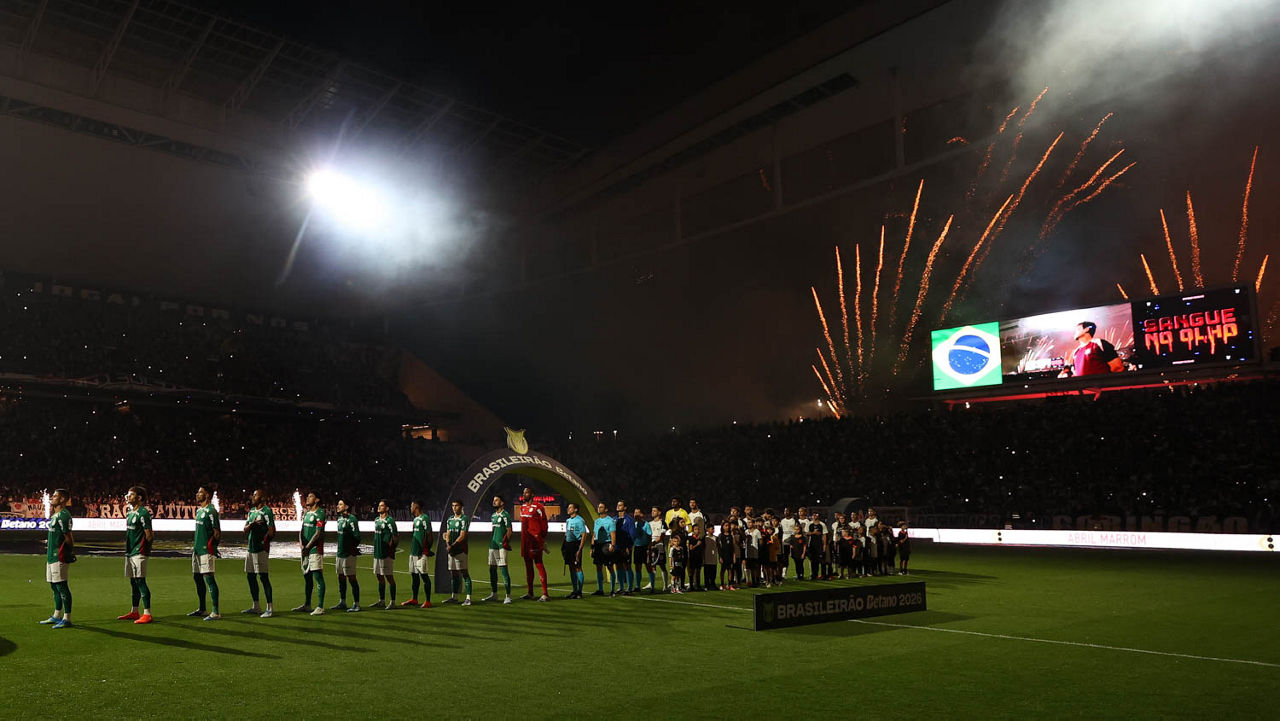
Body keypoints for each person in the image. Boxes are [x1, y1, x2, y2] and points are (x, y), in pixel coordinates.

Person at [40, 488, 75, 629]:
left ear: (62, 499)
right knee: (54, 586)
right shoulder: (56, 515)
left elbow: (69, 538)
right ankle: (56, 615)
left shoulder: (64, 516)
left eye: (55, 496)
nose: (52, 498)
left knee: (62, 586)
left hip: (59, 557)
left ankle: (67, 618)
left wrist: (69, 553)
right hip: (51, 556)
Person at [119, 486, 154, 624]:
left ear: (139, 498)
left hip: (139, 552)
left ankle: (147, 613)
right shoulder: (129, 512)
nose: (128, 497)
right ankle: (134, 611)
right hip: (130, 551)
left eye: (131, 495)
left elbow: (149, 535)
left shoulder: (143, 513)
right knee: (133, 582)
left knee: (140, 581)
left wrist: (145, 551)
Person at [189, 485, 221, 621]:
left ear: (207, 495)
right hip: (197, 550)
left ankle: (215, 612)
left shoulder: (211, 511)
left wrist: (212, 547)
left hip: (206, 550)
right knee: (197, 578)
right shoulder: (199, 511)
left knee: (209, 578)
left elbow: (217, 533)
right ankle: (202, 608)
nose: (197, 494)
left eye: (200, 492)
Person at [242, 489, 274, 618]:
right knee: (250, 577)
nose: (253, 497)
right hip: (250, 549)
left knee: (263, 577)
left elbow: (272, 531)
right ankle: (256, 606)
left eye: (255, 495)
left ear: (262, 498)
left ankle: (269, 608)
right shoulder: (251, 512)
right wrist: (251, 526)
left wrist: (264, 542)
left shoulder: (267, 511)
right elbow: (245, 529)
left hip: (260, 549)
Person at [294, 492, 327, 615]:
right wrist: (301, 544)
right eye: (307, 496)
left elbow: (318, 534)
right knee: (307, 578)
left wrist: (308, 547)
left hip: (314, 550)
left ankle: (320, 607)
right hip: (305, 550)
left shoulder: (320, 514)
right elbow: (301, 530)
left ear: (317, 500)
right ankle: (307, 604)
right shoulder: (307, 513)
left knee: (318, 577)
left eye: (311, 496)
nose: (307, 498)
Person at [518, 488, 549, 602]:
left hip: (534, 541)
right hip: (525, 541)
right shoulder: (522, 507)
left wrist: (540, 538)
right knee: (528, 567)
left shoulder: (538, 507)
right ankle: (530, 592)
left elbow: (544, 524)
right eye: (523, 492)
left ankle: (545, 594)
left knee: (539, 564)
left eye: (526, 492)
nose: (524, 494)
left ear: (532, 494)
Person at [332, 498, 362, 612]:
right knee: (340, 577)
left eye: (340, 504)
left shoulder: (352, 519)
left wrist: (351, 548)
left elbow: (357, 537)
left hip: (348, 554)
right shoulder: (339, 519)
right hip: (340, 553)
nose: (337, 506)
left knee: (352, 578)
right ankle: (343, 602)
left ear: (346, 507)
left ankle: (357, 604)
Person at [483, 494, 513, 604]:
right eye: (493, 500)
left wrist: (505, 543)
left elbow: (509, 531)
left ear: (502, 502)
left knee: (503, 569)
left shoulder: (505, 515)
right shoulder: (493, 516)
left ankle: (508, 596)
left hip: (501, 546)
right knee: (492, 569)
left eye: (496, 500)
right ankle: (494, 594)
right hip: (493, 545)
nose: (494, 502)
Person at [443, 500, 473, 605]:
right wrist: (448, 545)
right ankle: (454, 597)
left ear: (461, 507)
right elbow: (447, 534)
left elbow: (462, 535)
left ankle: (468, 598)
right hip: (451, 550)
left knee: (464, 573)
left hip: (460, 550)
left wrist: (452, 546)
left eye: (456, 505)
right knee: (453, 573)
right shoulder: (450, 519)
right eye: (453, 506)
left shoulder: (464, 519)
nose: (454, 507)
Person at [371, 499, 399, 608]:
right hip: (377, 553)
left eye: (382, 505)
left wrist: (391, 549)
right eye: (379, 505)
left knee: (389, 577)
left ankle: (393, 602)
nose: (379, 507)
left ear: (387, 508)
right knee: (379, 576)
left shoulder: (390, 520)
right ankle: (381, 600)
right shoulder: (377, 520)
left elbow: (395, 536)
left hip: (386, 554)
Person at [406, 500, 435, 607]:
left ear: (416, 506)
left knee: (424, 576)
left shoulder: (425, 518)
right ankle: (414, 599)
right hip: (413, 552)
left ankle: (428, 601)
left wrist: (427, 550)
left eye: (412, 506)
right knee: (414, 576)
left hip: (421, 553)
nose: (410, 508)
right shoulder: (415, 519)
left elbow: (429, 535)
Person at [562, 502, 588, 599]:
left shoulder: (580, 520)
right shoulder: (568, 520)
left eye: (570, 507)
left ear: (576, 509)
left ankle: (579, 592)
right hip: (568, 546)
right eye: (568, 507)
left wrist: (580, 549)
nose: (568, 509)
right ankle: (574, 591)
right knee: (571, 567)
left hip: (576, 545)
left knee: (578, 567)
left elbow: (584, 535)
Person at [590, 502, 616, 596]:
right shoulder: (597, 521)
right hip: (598, 545)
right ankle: (600, 589)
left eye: (601, 507)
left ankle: (612, 590)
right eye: (598, 507)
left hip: (606, 545)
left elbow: (613, 534)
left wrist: (612, 545)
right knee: (598, 567)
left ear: (606, 509)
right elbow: (594, 535)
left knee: (610, 567)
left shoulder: (610, 521)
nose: (599, 508)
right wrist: (592, 547)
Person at [614, 500, 636, 595]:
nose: (618, 506)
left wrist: (629, 546)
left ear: (625, 507)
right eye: (617, 505)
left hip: (625, 547)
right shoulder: (614, 519)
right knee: (618, 566)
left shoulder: (629, 520)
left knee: (627, 566)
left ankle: (630, 588)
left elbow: (632, 534)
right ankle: (621, 587)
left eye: (620, 505)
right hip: (617, 547)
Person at [631, 507, 653, 594]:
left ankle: (652, 586)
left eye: (637, 513)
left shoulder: (646, 524)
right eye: (634, 513)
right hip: (637, 547)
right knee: (637, 567)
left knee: (648, 566)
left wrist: (649, 547)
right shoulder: (634, 524)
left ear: (642, 514)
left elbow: (649, 536)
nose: (635, 514)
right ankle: (637, 586)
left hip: (644, 547)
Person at [647, 507, 668, 591]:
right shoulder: (649, 523)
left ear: (659, 512)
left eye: (654, 511)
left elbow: (662, 536)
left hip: (659, 546)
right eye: (652, 510)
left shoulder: (663, 523)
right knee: (652, 565)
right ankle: (651, 584)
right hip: (651, 546)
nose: (652, 512)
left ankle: (665, 585)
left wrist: (654, 543)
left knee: (662, 566)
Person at [778, 508, 797, 580]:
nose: (786, 512)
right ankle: (784, 574)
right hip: (784, 542)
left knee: (795, 557)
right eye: (785, 511)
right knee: (785, 557)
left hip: (792, 541)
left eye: (787, 511)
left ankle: (798, 573)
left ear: (790, 512)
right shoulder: (782, 521)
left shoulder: (794, 520)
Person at [717, 520, 736, 590]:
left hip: (730, 555)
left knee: (730, 570)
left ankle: (730, 584)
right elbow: (719, 547)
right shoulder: (721, 536)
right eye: (726, 525)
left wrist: (734, 556)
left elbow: (733, 547)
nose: (727, 527)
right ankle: (722, 584)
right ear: (722, 526)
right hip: (723, 555)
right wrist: (720, 556)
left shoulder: (731, 536)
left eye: (728, 526)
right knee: (723, 570)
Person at [701, 516, 718, 591]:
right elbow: (703, 548)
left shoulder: (715, 538)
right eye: (711, 528)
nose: (713, 530)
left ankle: (713, 584)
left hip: (713, 558)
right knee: (707, 572)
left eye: (713, 528)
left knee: (713, 572)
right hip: (707, 557)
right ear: (707, 529)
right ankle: (707, 585)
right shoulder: (705, 538)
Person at [687, 526, 705, 592]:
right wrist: (697, 545)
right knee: (692, 571)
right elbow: (691, 548)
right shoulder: (691, 538)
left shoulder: (700, 539)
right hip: (693, 557)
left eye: (698, 529)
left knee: (698, 572)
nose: (697, 531)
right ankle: (691, 586)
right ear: (693, 530)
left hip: (699, 557)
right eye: (695, 529)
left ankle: (698, 585)